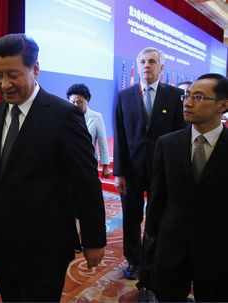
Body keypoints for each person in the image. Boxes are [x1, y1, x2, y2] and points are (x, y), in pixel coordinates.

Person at [0, 33, 106, 302]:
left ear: (35, 69)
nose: (4, 84)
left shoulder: (64, 115)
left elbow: (86, 182)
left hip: (44, 246)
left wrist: (94, 239)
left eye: (13, 75)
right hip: (2, 242)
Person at [145, 73, 228, 302]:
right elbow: (158, 193)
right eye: (187, 95)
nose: (188, 102)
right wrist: (151, 230)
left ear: (223, 105)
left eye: (199, 97)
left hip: (217, 248)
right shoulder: (167, 144)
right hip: (172, 243)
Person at [113, 47, 186, 297]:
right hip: (132, 169)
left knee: (158, 216)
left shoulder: (176, 96)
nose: (147, 65)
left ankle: (151, 260)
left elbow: (181, 135)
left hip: (162, 169)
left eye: (152, 61)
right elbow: (120, 136)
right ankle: (133, 260)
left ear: (161, 67)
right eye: (142, 61)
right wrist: (119, 172)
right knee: (131, 217)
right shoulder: (124, 96)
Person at [67, 83, 110, 178]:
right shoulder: (64, 116)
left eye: (79, 102)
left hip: (89, 162)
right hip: (68, 162)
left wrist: (106, 166)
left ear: (87, 100)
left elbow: (102, 142)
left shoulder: (96, 117)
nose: (75, 105)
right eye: (72, 102)